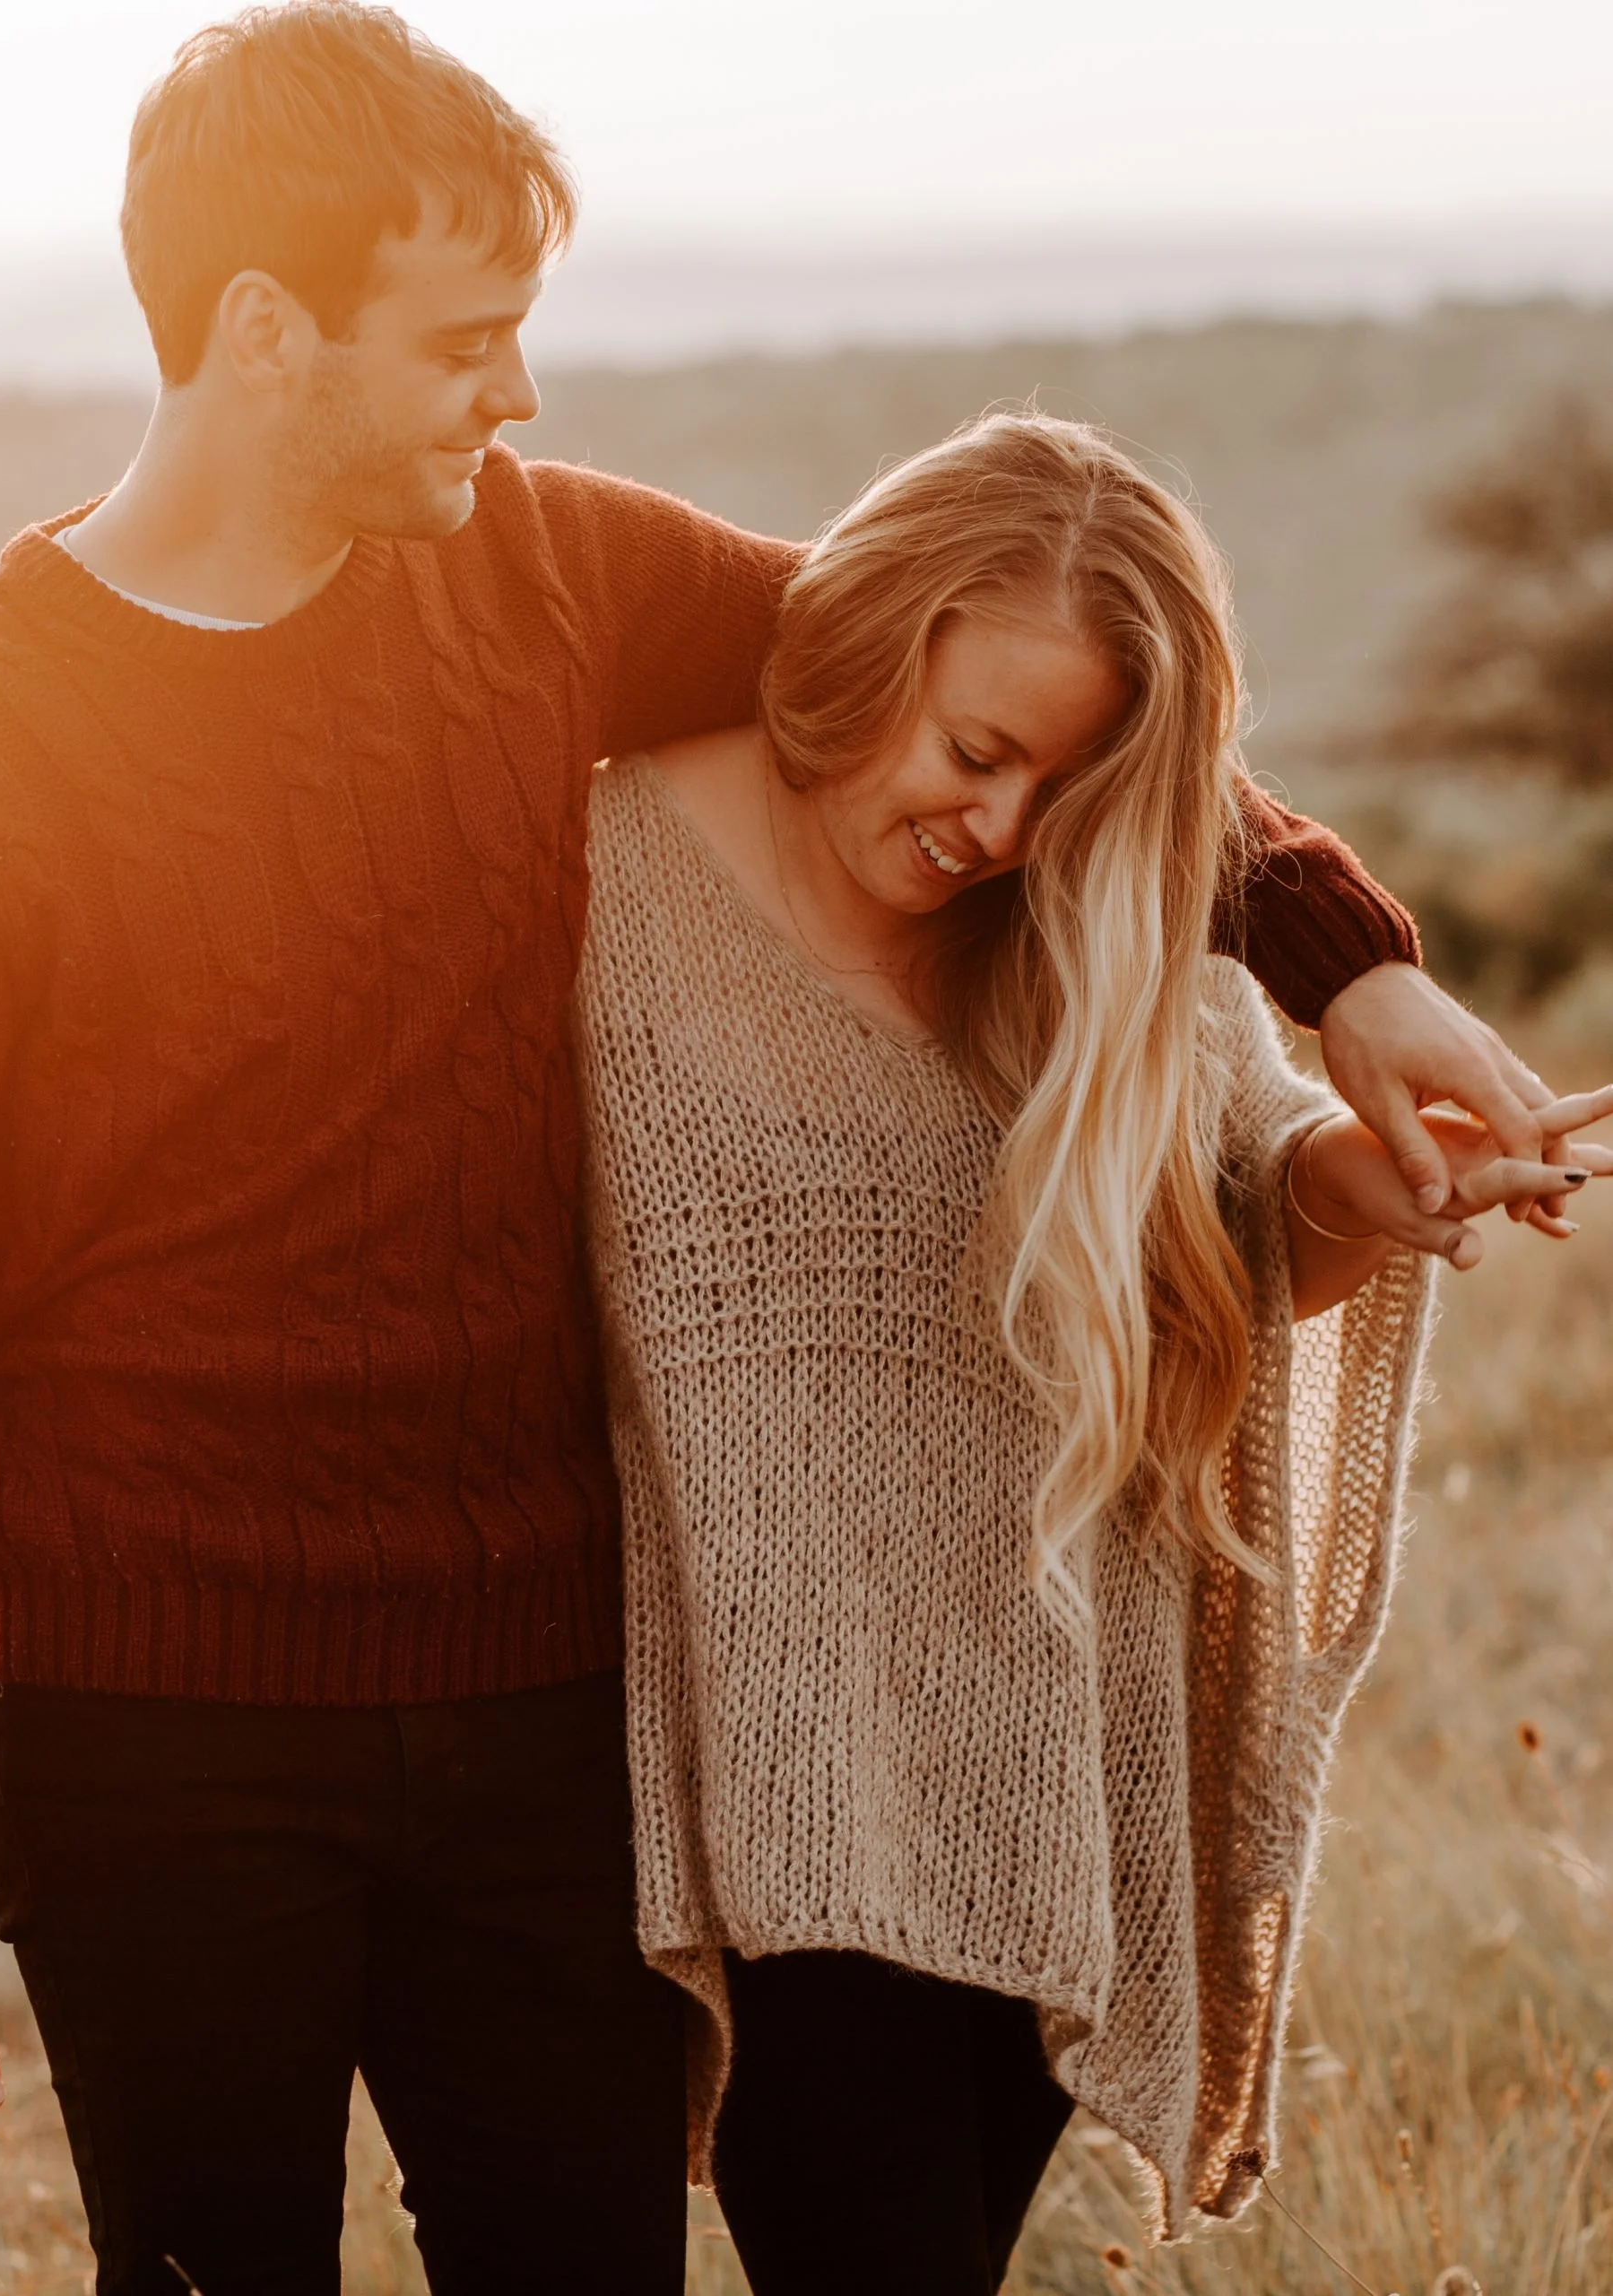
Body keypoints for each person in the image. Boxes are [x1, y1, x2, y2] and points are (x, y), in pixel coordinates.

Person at [0, 5, 1575, 2292]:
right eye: (468, 337)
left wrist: (1358, 962)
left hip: (551, 1719)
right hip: (157, 1728)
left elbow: (1031, 686)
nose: (516, 391)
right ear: (263, 331)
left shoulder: (542, 577)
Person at [571, 413, 1613, 2296]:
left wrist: (1371, 1186)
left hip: (1056, 1754)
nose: (1001, 829)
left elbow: (1231, 1227)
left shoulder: (1099, 911)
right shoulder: (602, 868)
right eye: (978, 751)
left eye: (1064, 786)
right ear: (874, 631)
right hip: (780, 1778)